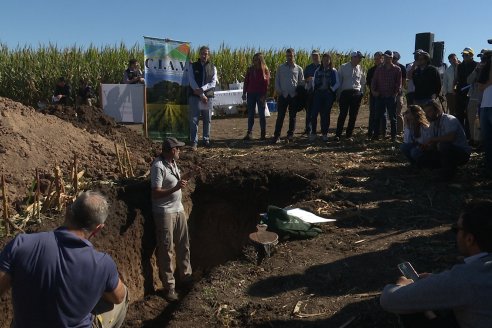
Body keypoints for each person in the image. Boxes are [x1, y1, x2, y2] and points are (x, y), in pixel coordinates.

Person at [0, 191, 128, 328]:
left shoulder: (21, 244)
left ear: (67, 212)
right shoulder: (103, 264)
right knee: (123, 295)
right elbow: (118, 297)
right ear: (98, 229)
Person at [380, 199, 492, 328]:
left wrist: (401, 285)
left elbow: (389, 299)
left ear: (469, 239)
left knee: (413, 313)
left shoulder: (468, 278)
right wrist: (436, 281)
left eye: (456, 229)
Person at [151, 137, 194, 302]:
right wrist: (176, 188)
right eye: (178, 149)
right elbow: (155, 192)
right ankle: (169, 287)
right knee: (166, 249)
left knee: (184, 244)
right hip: (164, 213)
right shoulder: (158, 166)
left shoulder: (172, 164)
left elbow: (174, 182)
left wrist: (187, 176)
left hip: (178, 210)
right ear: (172, 150)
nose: (180, 151)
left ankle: (186, 277)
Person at [417, 99, 471, 178]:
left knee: (444, 145)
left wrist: (433, 140)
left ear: (437, 110)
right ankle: (439, 169)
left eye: (430, 111)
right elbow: (433, 144)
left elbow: (450, 137)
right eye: (426, 112)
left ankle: (448, 174)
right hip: (444, 152)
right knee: (422, 157)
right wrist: (426, 147)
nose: (428, 114)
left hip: (461, 152)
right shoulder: (433, 123)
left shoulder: (449, 119)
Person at [188, 46, 218, 150]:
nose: (204, 55)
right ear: (199, 54)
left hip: (208, 97)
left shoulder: (213, 67)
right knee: (194, 120)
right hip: (195, 97)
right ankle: (194, 142)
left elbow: (213, 82)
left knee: (207, 119)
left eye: (206, 54)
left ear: (208, 55)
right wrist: (201, 94)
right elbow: (191, 80)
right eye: (202, 53)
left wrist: (202, 90)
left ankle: (206, 139)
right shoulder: (193, 66)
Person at [272, 48, 304, 143]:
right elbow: (277, 81)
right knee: (280, 116)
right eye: (287, 56)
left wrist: (298, 92)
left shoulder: (298, 69)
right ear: (286, 56)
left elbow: (301, 82)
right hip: (283, 95)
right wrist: (279, 91)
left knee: (292, 117)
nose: (289, 57)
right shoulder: (281, 68)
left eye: (291, 55)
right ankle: (277, 136)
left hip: (293, 96)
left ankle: (290, 135)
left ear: (294, 56)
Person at [371, 50, 402, 141]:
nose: (386, 58)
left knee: (392, 117)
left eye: (388, 57)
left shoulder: (397, 69)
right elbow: (374, 81)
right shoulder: (379, 68)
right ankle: (376, 135)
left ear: (391, 58)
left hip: (391, 96)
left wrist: (395, 94)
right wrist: (373, 91)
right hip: (380, 96)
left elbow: (398, 83)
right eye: (385, 57)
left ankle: (393, 136)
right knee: (377, 116)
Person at [335, 51, 366, 141]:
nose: (360, 59)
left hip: (356, 94)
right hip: (345, 93)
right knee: (342, 114)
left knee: (353, 116)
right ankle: (338, 134)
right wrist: (338, 94)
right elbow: (339, 81)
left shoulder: (361, 68)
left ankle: (349, 135)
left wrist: (361, 92)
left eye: (360, 58)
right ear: (353, 57)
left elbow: (363, 82)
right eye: (358, 57)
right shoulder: (343, 67)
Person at [309, 53, 340, 141]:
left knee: (325, 114)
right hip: (318, 93)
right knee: (314, 114)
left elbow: (337, 83)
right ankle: (313, 132)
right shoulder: (318, 70)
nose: (326, 61)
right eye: (324, 60)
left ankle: (324, 133)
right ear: (322, 60)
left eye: (328, 60)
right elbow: (314, 82)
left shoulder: (333, 71)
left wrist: (332, 89)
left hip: (328, 94)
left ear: (330, 61)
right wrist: (315, 91)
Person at [242, 52, 270, 141]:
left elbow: (266, 84)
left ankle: (263, 133)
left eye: (256, 60)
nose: (254, 61)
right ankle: (249, 133)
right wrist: (244, 93)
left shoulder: (265, 69)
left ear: (260, 60)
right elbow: (246, 81)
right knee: (251, 114)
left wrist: (264, 95)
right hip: (251, 93)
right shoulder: (250, 69)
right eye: (254, 60)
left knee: (262, 114)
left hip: (261, 94)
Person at [455, 47, 478, 137]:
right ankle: (460, 135)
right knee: (459, 114)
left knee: (469, 116)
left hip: (471, 92)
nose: (464, 56)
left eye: (466, 55)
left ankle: (469, 136)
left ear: (471, 55)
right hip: (460, 92)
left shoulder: (476, 65)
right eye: (463, 55)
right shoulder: (459, 66)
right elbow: (457, 78)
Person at [466, 50, 487, 145]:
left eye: (484, 58)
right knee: (472, 120)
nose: (482, 60)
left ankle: (483, 142)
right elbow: (469, 80)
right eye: (481, 58)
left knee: (483, 122)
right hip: (474, 98)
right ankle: (474, 140)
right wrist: (476, 70)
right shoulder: (477, 67)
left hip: (485, 99)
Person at [478, 49, 492, 173]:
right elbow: (480, 86)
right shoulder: (486, 68)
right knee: (487, 140)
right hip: (485, 106)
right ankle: (488, 169)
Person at [366, 51, 384, 139]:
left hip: (383, 95)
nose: (376, 60)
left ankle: (381, 132)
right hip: (373, 95)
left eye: (378, 59)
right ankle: (370, 132)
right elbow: (369, 83)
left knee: (382, 114)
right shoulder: (371, 70)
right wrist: (373, 91)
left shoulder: (386, 69)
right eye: (375, 59)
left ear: (382, 59)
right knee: (372, 113)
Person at [303, 50, 321, 135]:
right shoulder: (308, 67)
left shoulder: (322, 67)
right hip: (310, 92)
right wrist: (308, 79)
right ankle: (308, 128)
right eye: (313, 56)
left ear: (319, 56)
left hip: (320, 92)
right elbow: (304, 80)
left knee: (321, 112)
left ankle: (320, 129)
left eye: (316, 56)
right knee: (309, 112)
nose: (315, 57)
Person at [392, 51, 407, 134]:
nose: (392, 59)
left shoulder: (402, 67)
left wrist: (400, 90)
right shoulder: (386, 67)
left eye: (394, 58)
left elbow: (404, 82)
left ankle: (399, 130)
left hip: (399, 93)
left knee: (398, 112)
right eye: (392, 58)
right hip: (388, 93)